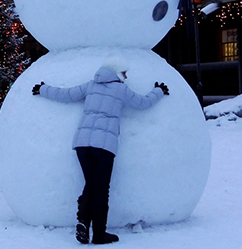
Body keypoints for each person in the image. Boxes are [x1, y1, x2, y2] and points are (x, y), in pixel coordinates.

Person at [32, 66, 169, 245]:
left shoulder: (91, 85)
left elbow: (66, 94)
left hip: (82, 143)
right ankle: (99, 233)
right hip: (103, 145)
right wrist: (159, 91)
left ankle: (83, 222)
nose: (126, 77)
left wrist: (43, 89)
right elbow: (142, 103)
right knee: (101, 189)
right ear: (118, 74)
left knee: (91, 184)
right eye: (124, 73)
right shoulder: (120, 89)